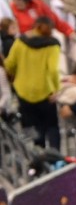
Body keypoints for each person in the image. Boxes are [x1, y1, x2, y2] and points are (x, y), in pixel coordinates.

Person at [5, 17, 62, 150]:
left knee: (32, 127)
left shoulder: (20, 41)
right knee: (52, 126)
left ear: (34, 26)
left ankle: (38, 153)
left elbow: (9, 64)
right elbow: (53, 70)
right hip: (45, 92)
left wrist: (15, 75)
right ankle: (56, 156)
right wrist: (56, 89)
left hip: (23, 91)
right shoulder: (52, 45)